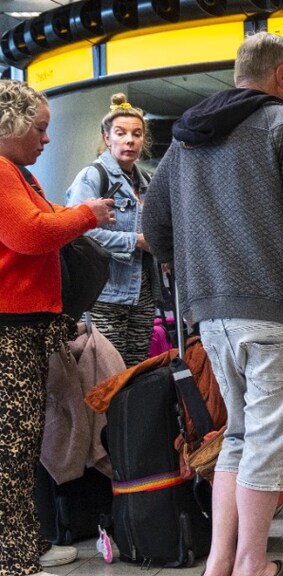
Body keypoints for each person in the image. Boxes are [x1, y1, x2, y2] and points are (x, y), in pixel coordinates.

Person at [141, 32, 283, 576]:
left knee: (238, 436)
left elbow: (153, 221)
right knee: (269, 444)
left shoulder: (187, 136)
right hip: (276, 313)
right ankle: (252, 564)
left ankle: (222, 562)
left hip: (212, 316)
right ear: (282, 74)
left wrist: (193, 272)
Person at [0, 79, 115, 576]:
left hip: (22, 326)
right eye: (40, 129)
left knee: (21, 442)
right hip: (11, 329)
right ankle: (14, 556)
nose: (47, 139)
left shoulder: (17, 174)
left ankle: (25, 544)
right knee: (13, 445)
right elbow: (29, 233)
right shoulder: (2, 171)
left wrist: (77, 215)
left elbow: (41, 220)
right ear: (10, 125)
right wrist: (87, 214)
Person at [65, 93, 159, 367]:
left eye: (137, 134)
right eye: (121, 133)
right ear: (107, 138)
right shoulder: (93, 176)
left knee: (136, 370)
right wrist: (136, 241)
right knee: (108, 372)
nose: (130, 140)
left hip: (142, 293)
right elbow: (79, 232)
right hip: (107, 292)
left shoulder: (146, 181)